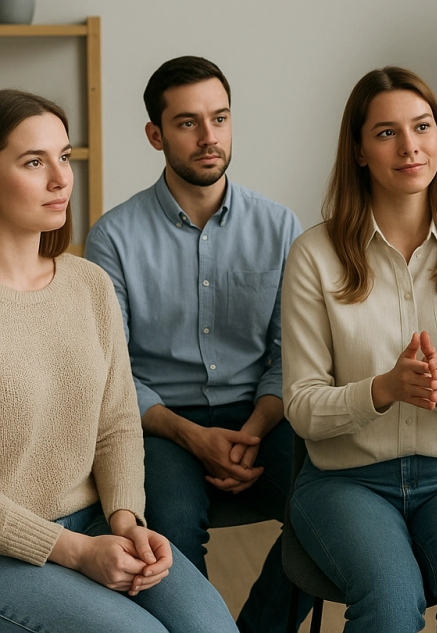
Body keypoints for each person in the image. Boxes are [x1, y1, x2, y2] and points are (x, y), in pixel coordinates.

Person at [281, 66, 437, 632]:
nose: (411, 146)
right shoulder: (314, 255)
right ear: (360, 151)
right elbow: (300, 404)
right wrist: (383, 390)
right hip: (346, 482)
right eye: (387, 132)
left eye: (422, 126)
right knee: (390, 603)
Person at [84, 56, 309, 633]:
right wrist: (192, 436)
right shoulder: (113, 236)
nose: (209, 137)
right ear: (155, 135)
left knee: (328, 511)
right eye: (187, 123)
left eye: (220, 118)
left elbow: (293, 352)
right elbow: (112, 373)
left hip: (264, 412)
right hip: (161, 423)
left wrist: (254, 430)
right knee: (169, 537)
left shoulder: (280, 227)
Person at [0, 89, 237, 633]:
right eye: (34, 162)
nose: (61, 178)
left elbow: (117, 424)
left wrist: (126, 519)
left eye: (64, 156)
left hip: (94, 520)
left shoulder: (88, 285)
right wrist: (76, 552)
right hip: (11, 549)